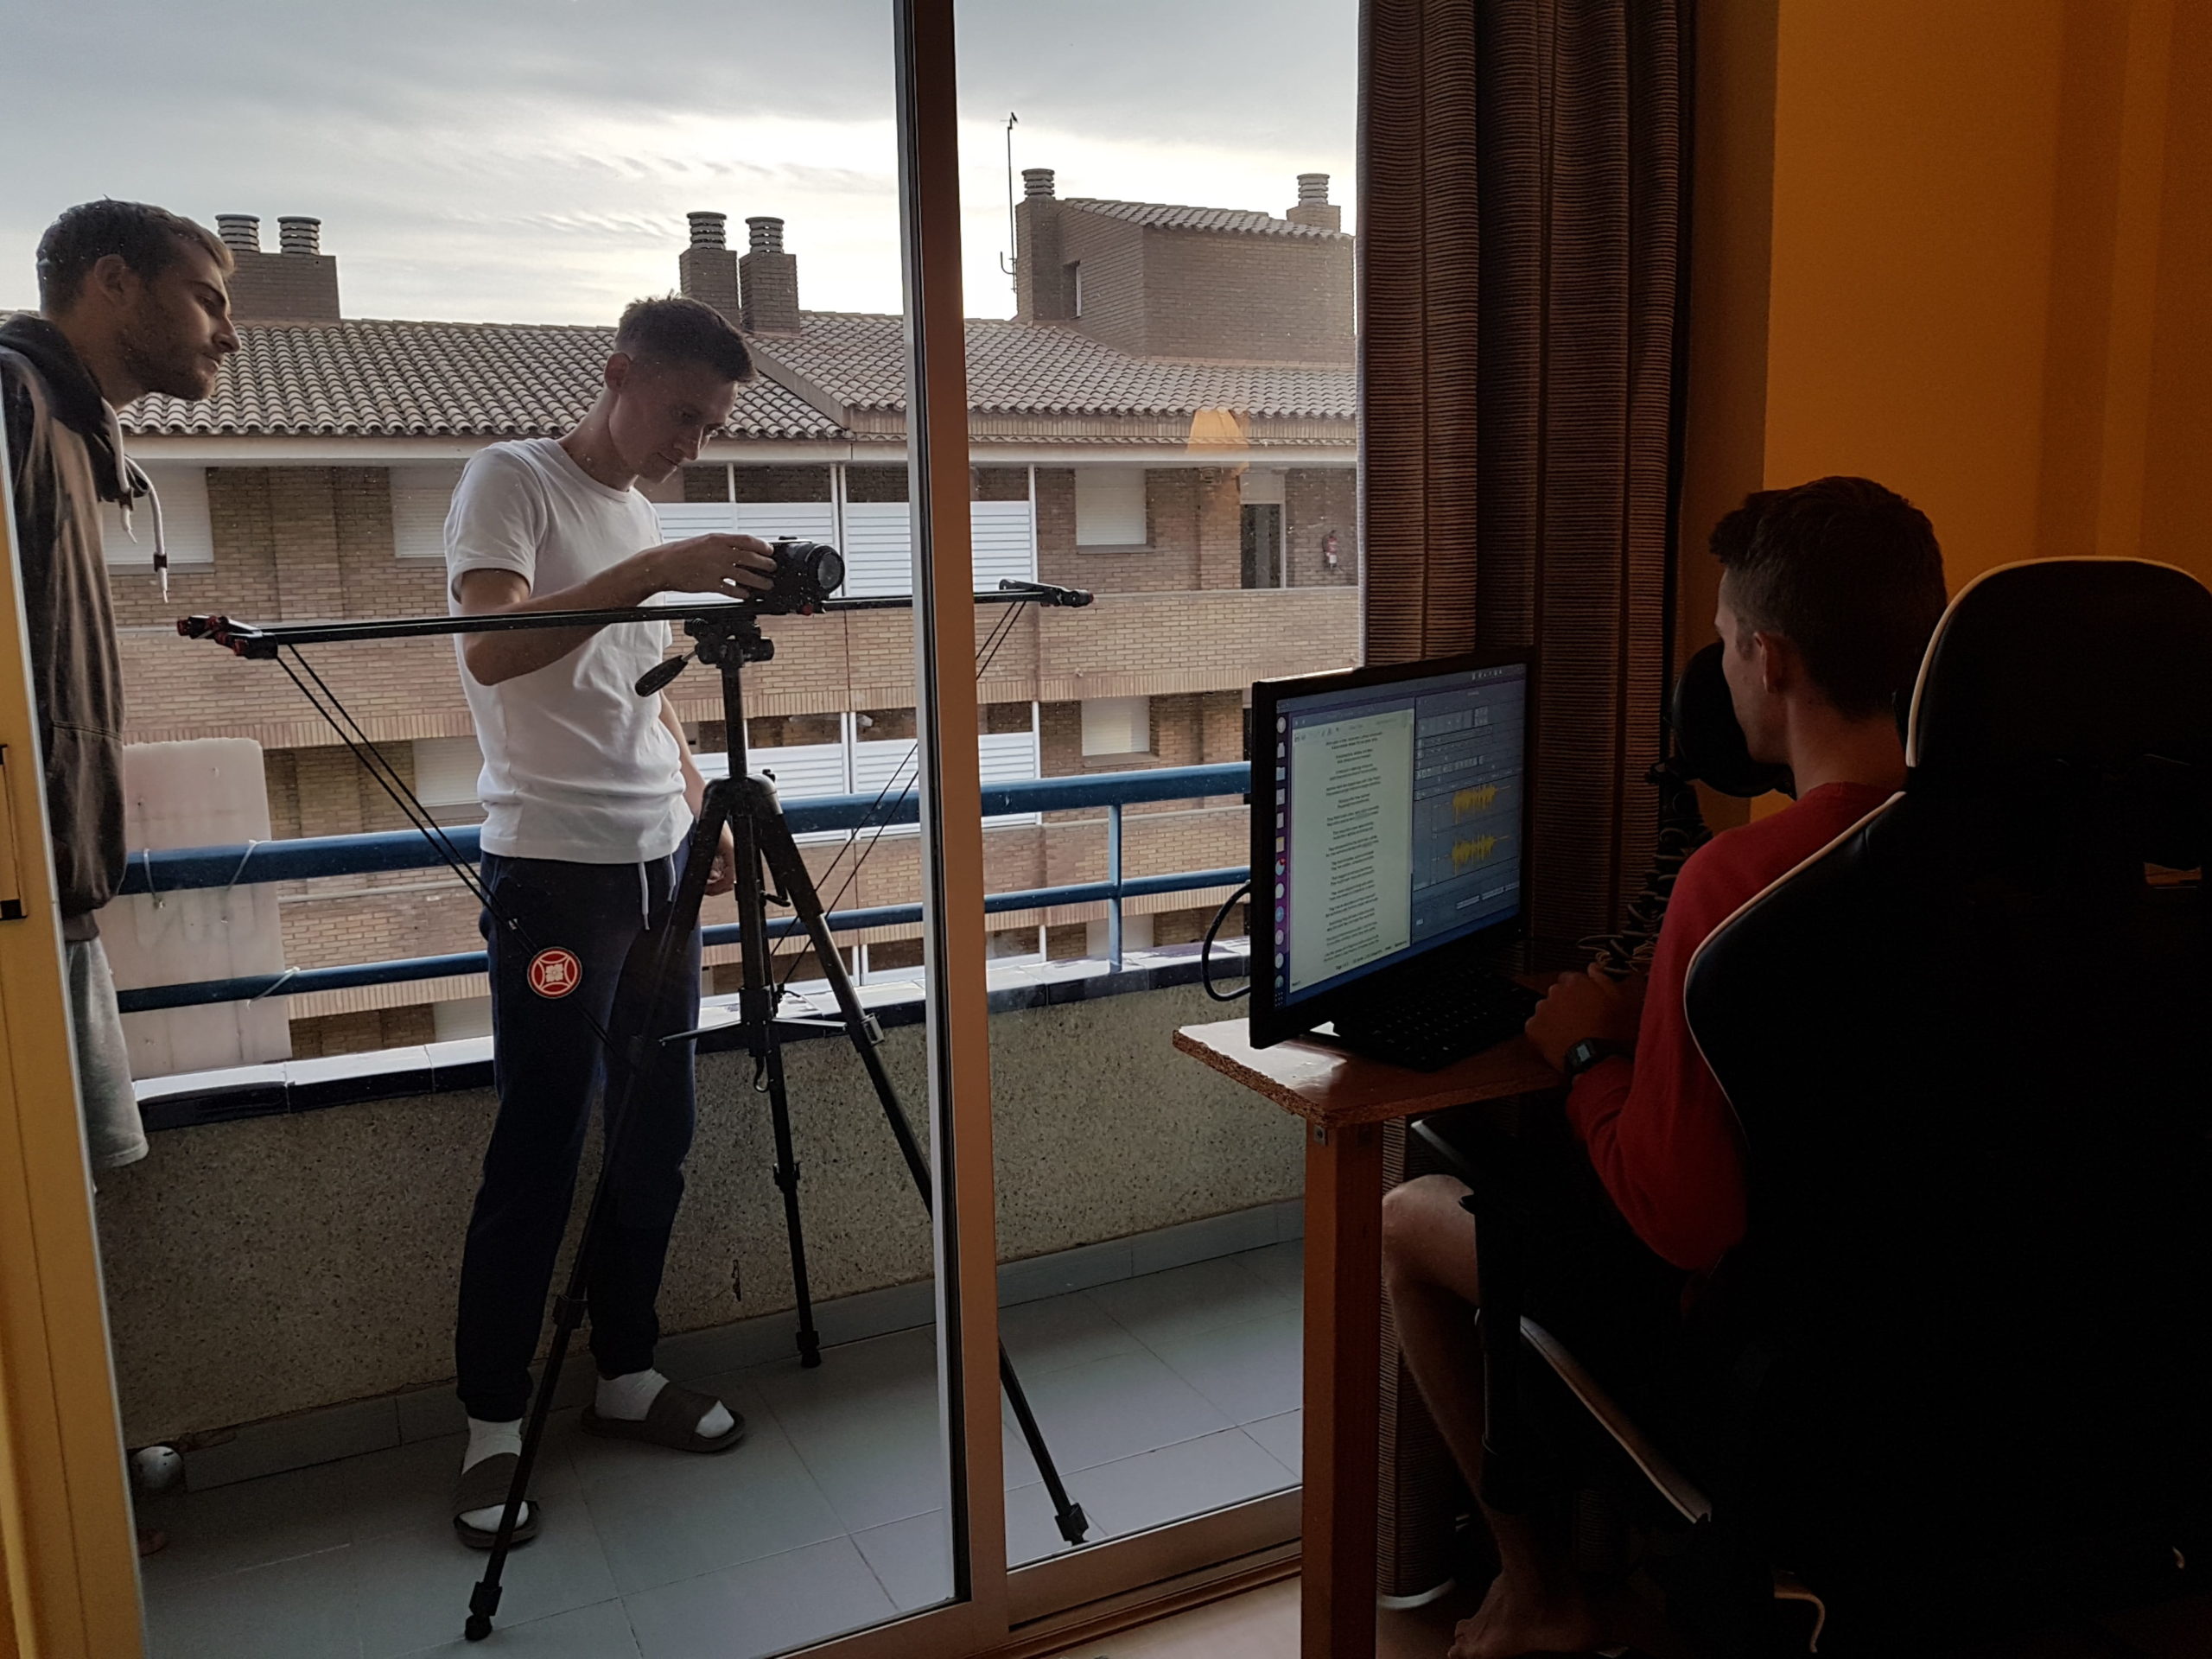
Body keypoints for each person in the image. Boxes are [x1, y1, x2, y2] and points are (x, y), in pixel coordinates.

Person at [1380, 476, 1949, 1659]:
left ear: (1770, 660)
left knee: (1406, 1214)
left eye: (1727, 640)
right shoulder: (1979, 851)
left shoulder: (1733, 883)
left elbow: (1678, 1219)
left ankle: (1541, 1596)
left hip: (1752, 1370)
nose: (1721, 668)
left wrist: (1588, 1049)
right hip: (1933, 1360)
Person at [444, 296, 779, 1548]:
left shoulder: (637, 512)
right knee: (540, 1141)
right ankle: (491, 1422)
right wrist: (654, 570)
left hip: (656, 863)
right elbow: (489, 647)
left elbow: (643, 689)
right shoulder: (512, 481)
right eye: (682, 414)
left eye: (711, 425)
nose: (691, 442)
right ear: (619, 375)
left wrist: (698, 802)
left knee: (658, 1131)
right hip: (551, 872)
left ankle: (625, 1371)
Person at [1, 202, 237, 1176]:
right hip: (21, 909)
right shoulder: (13, 399)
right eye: (206, 300)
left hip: (54, 903)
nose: (226, 335)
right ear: (112, 282)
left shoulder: (66, 428)